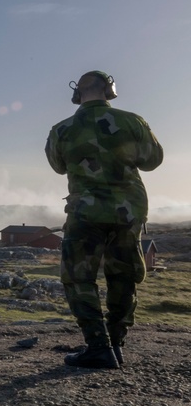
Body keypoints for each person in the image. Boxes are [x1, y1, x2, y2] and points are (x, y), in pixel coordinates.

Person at [46, 70, 163, 369]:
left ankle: (98, 346)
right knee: (123, 275)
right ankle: (116, 343)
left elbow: (58, 166)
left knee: (78, 277)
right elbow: (153, 161)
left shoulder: (62, 129)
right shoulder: (133, 121)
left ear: (77, 93)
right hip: (129, 210)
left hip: (85, 213)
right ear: (109, 90)